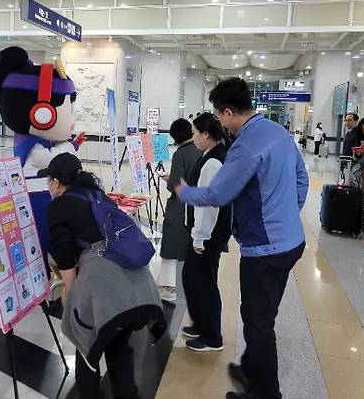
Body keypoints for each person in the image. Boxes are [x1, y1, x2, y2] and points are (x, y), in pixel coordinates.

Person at [176, 77, 307, 399]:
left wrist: (184, 192)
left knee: (258, 324)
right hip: (292, 241)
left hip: (264, 249)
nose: (219, 122)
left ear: (230, 112)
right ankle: (249, 370)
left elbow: (219, 193)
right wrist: (287, 214)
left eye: (219, 116)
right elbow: (301, 180)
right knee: (262, 315)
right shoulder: (278, 132)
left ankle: (265, 393)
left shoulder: (245, 144)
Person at [42, 153, 166, 399]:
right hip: (141, 290)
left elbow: (64, 254)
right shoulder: (99, 197)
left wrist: (74, 294)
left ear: (55, 183)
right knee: (119, 346)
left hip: (105, 292)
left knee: (87, 349)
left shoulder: (59, 205)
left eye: (48, 181)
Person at [181, 113, 232, 352]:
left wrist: (200, 236)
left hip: (209, 233)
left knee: (204, 282)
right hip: (208, 231)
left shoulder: (213, 162)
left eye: (194, 133)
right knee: (193, 278)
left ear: (206, 135)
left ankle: (212, 337)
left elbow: (208, 203)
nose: (192, 137)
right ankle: (201, 324)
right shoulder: (209, 155)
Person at [157, 118, 201, 303]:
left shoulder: (180, 154)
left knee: (172, 247)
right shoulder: (201, 149)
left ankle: (169, 289)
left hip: (180, 208)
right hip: (198, 206)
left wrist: (168, 178)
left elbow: (175, 185)